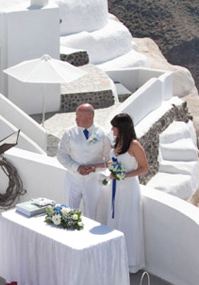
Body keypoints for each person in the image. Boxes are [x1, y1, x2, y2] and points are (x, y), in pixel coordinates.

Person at [100, 113, 148, 272]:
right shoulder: (117, 142)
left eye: (114, 126)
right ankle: (115, 258)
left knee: (127, 221)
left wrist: (123, 175)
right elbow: (114, 161)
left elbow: (144, 168)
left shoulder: (134, 145)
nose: (112, 129)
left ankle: (130, 262)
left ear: (122, 128)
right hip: (117, 187)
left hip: (128, 188)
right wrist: (108, 167)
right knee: (116, 218)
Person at [56, 103, 111, 220]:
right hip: (72, 179)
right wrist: (77, 167)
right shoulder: (69, 133)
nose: (75, 119)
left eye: (79, 117)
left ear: (90, 117)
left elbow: (108, 160)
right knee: (68, 212)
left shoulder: (103, 134)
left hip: (93, 181)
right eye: (76, 116)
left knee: (91, 214)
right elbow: (61, 154)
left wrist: (95, 168)